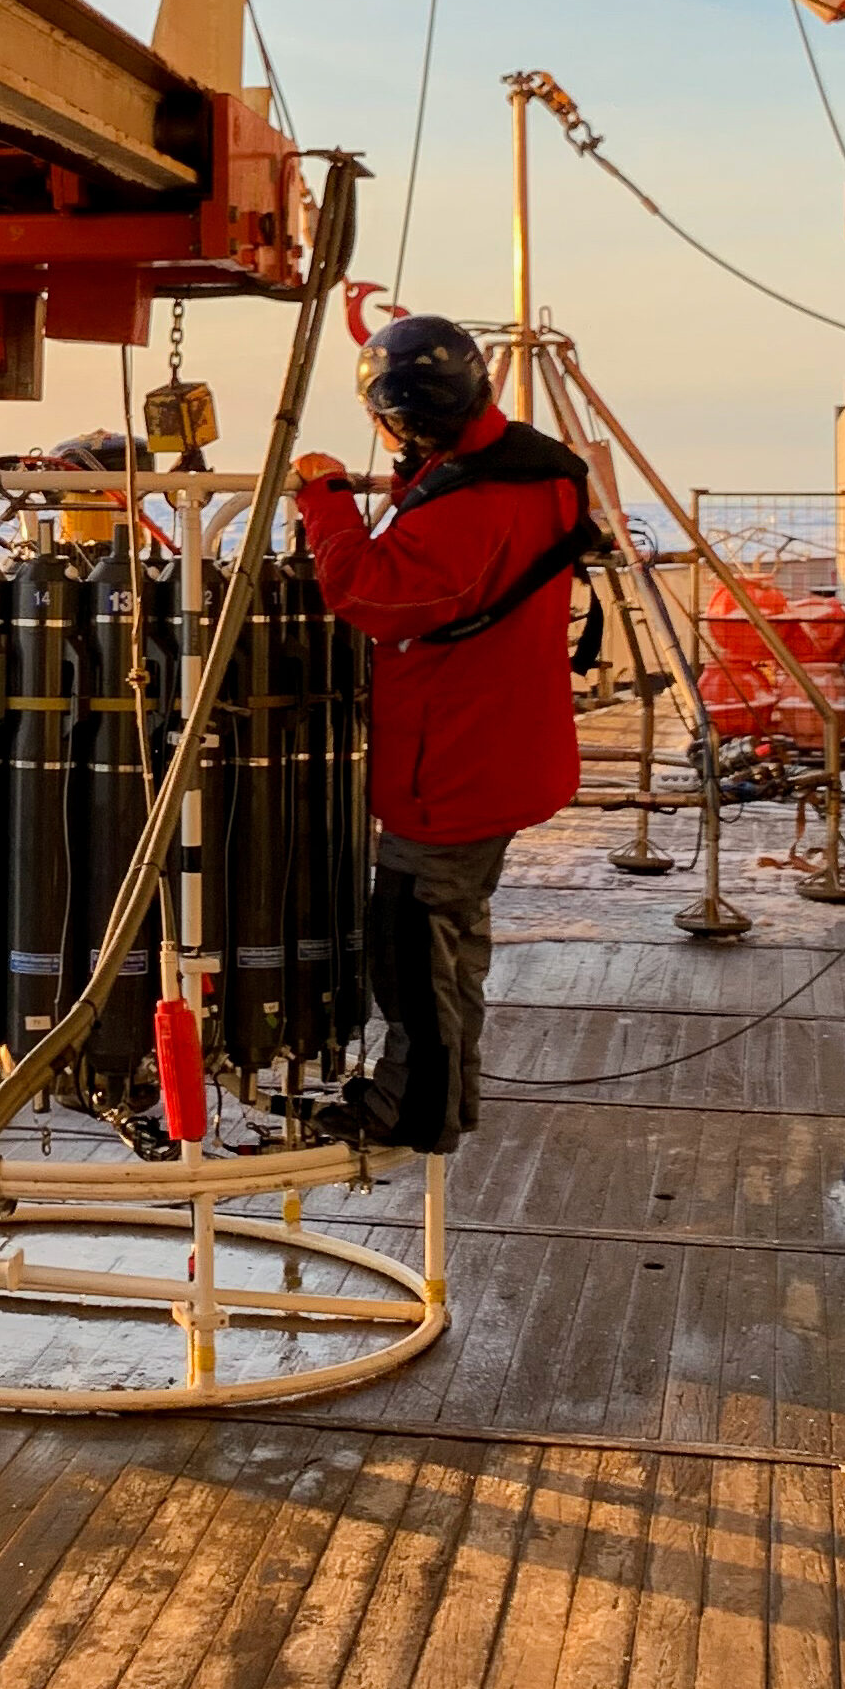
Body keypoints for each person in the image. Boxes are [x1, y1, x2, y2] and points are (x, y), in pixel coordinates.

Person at [289, 316, 599, 1159]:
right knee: (454, 943)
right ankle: (446, 1094)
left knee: (415, 949)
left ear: (404, 417)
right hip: (497, 748)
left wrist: (324, 503)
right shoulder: (526, 470)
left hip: (455, 765)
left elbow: (371, 593)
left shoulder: (477, 505)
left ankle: (414, 1110)